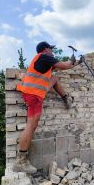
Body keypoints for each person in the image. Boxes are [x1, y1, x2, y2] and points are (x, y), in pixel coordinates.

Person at [13, 41, 81, 173]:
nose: (52, 51)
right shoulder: (44, 57)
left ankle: (66, 98)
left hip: (35, 93)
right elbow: (64, 66)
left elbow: (59, 69)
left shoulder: (43, 62)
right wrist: (73, 60)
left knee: (54, 78)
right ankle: (20, 160)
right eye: (51, 49)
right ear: (45, 49)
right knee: (31, 126)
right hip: (33, 94)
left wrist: (76, 62)